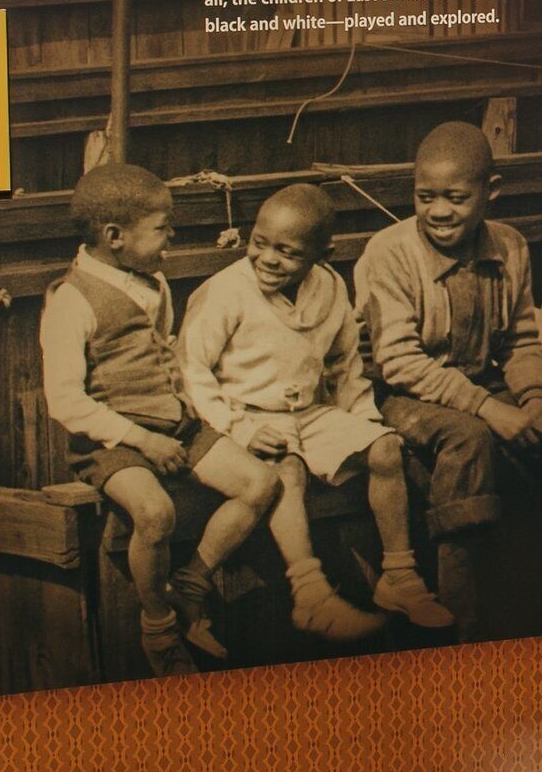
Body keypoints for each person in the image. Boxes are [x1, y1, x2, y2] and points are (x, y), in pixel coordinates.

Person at [43, 161, 292, 674]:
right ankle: (158, 627)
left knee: (261, 484)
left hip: (174, 426)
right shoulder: (70, 302)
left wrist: (202, 420)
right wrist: (142, 439)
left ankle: (192, 587)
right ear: (114, 236)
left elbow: (165, 357)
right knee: (156, 514)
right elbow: (65, 402)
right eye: (161, 228)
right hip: (113, 442)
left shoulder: (153, 281)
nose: (171, 237)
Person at [180, 184, 436, 639]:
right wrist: (236, 429)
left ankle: (399, 574)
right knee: (287, 469)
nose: (268, 259)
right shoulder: (224, 292)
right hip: (250, 415)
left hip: (311, 413)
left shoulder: (330, 286)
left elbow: (344, 364)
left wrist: (362, 421)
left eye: (288, 252)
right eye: (260, 243)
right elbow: (192, 370)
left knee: (385, 449)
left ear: (322, 253)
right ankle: (311, 594)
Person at [354, 122, 542, 634]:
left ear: (490, 192)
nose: (437, 211)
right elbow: (399, 363)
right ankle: (460, 610)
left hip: (478, 385)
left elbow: (521, 342)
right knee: (470, 438)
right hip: (403, 395)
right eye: (424, 196)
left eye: (455, 198)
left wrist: (537, 398)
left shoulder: (511, 247)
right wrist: (491, 410)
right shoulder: (389, 252)